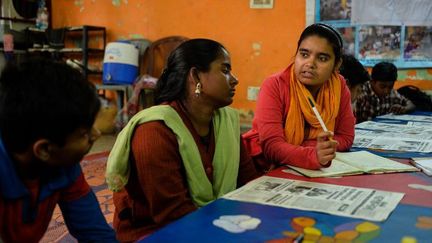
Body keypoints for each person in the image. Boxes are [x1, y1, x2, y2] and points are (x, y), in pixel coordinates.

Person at [106, 38, 259, 242]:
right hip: (154, 232)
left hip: (217, 222)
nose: (234, 79)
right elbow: (172, 216)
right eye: (225, 70)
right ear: (195, 76)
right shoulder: (153, 131)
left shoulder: (227, 121)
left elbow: (248, 182)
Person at [0, 58, 117, 242]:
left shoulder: (64, 166)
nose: (97, 134)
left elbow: (96, 234)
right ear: (45, 149)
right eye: (84, 134)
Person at [243, 23, 355, 172]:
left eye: (322, 58)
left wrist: (311, 149)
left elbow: (346, 137)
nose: (310, 63)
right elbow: (272, 146)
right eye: (304, 54)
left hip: (313, 169)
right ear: (296, 55)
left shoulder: (339, 86)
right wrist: (314, 152)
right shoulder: (275, 85)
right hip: (265, 168)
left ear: (337, 64)